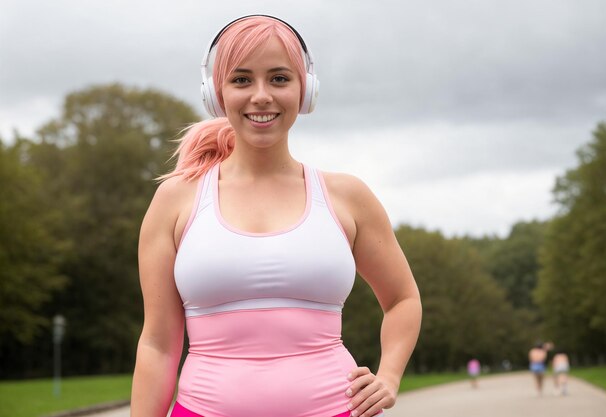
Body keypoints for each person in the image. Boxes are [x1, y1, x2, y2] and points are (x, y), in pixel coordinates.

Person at [130, 15, 422, 417]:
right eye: (242, 79)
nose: (262, 95)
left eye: (280, 79)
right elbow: (158, 346)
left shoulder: (347, 197)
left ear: (306, 91)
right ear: (216, 94)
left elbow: (403, 299)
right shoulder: (175, 200)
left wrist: (388, 378)